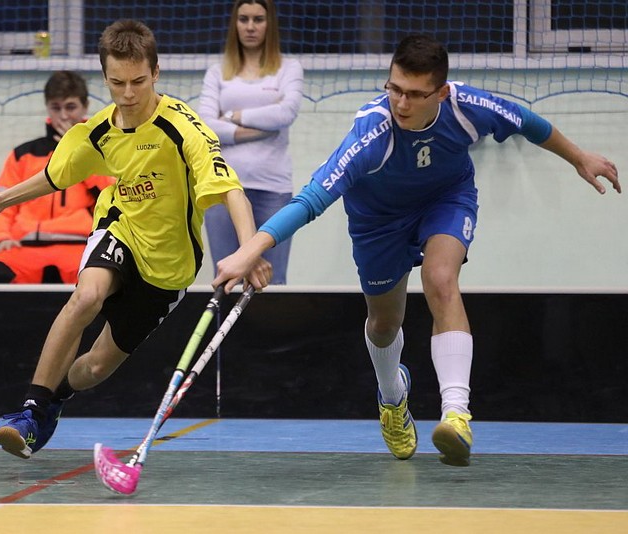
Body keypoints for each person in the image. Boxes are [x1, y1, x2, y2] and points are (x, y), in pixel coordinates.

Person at [212, 34, 621, 467]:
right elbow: (311, 200)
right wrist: (250, 250)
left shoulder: (466, 108)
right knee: (384, 323)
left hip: (445, 201)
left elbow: (526, 121)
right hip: (377, 223)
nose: (401, 103)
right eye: (395, 89)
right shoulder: (372, 133)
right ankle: (392, 397)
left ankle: (456, 415)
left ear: (440, 93)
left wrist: (578, 157)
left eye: (414, 94)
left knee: (440, 279)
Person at [0, 19, 271, 459]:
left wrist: (249, 249)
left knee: (94, 368)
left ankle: (56, 399)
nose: (128, 94)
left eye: (138, 81)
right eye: (117, 83)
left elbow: (230, 189)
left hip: (169, 266)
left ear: (155, 73)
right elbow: (54, 175)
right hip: (119, 226)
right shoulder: (98, 131)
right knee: (86, 297)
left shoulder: (184, 127)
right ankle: (30, 412)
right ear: (105, 78)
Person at [0, 71, 114, 284]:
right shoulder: (24, 154)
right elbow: (0, 204)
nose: (63, 116)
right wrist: (1, 238)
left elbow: (114, 202)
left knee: (106, 284)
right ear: (47, 107)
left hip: (80, 248)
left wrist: (81, 153)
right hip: (25, 248)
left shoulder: (105, 150)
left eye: (71, 107)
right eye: (56, 107)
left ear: (85, 107)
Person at [198, 0, 303, 284]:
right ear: (235, 23)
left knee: (272, 284)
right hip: (223, 190)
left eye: (258, 19)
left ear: (270, 24)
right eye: (243, 19)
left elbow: (286, 113)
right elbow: (206, 125)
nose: (250, 26)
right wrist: (260, 129)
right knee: (226, 281)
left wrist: (233, 116)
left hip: (273, 190)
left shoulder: (288, 68)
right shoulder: (217, 72)